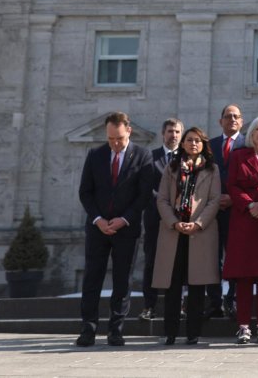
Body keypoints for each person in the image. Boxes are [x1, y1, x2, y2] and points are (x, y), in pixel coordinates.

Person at [76, 112, 152, 347]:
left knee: (122, 281)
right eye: (110, 139)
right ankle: (88, 329)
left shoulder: (142, 155)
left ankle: (116, 330)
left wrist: (125, 219)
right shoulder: (95, 155)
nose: (115, 144)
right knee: (92, 279)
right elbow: (85, 192)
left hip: (125, 229)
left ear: (128, 131)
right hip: (98, 228)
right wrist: (97, 219)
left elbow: (144, 194)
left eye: (118, 138)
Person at [153, 126, 221, 345]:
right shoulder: (171, 168)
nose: (193, 144)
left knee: (197, 285)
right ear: (182, 143)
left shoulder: (211, 169)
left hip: (199, 233)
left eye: (198, 140)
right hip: (174, 232)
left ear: (203, 145)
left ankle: (193, 333)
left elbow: (214, 200)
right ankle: (170, 332)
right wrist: (174, 222)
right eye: (190, 140)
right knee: (172, 285)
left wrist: (198, 224)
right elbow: (162, 199)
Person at [223, 116, 258, 344]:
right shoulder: (239, 156)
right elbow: (232, 185)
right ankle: (244, 326)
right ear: (251, 133)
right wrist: (249, 204)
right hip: (244, 218)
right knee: (244, 276)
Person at [139, 117, 182, 322]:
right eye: (170, 131)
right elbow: (146, 189)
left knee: (178, 264)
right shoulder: (150, 157)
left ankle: (177, 305)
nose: (173, 135)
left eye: (177, 132)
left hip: (180, 221)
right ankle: (150, 306)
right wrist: (166, 205)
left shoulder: (187, 158)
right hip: (156, 220)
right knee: (152, 263)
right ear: (163, 134)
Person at [207, 104, 244, 319]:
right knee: (212, 257)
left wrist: (233, 198)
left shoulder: (246, 144)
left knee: (235, 256)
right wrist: (215, 198)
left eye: (236, 117)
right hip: (213, 210)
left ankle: (233, 298)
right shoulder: (210, 145)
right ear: (220, 121)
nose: (232, 119)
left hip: (237, 209)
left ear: (241, 121)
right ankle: (214, 301)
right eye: (228, 116)